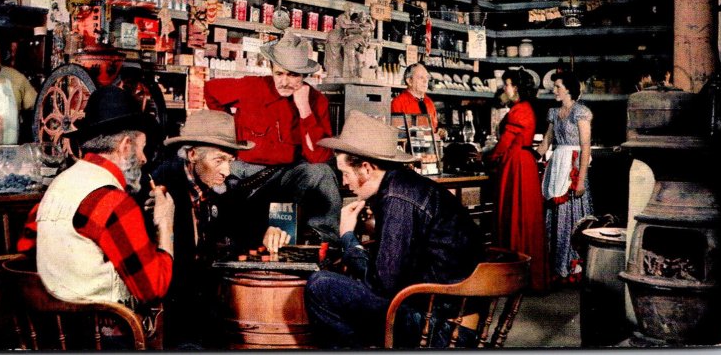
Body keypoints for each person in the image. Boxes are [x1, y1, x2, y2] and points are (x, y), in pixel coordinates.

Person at [304, 110, 484, 348]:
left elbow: (382, 285)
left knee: (320, 285)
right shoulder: (401, 185)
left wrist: (348, 237)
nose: (344, 182)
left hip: (442, 328)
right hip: (436, 311)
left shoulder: (398, 197)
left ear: (367, 169)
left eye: (345, 173)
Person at [34, 86, 175, 342]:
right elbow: (154, 288)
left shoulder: (58, 185)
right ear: (125, 146)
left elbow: (26, 245)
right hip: (103, 338)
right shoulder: (113, 202)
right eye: (141, 148)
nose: (143, 159)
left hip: (55, 335)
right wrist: (165, 225)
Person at [204, 30, 341, 247]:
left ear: (304, 75)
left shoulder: (316, 101)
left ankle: (324, 243)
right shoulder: (251, 86)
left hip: (288, 174)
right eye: (280, 74)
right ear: (271, 69)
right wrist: (227, 133)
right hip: (245, 171)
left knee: (322, 173)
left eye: (293, 75)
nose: (285, 82)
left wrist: (304, 109)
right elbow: (210, 90)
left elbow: (319, 157)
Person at [147, 109, 254, 349]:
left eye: (230, 160)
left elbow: (242, 230)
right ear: (193, 154)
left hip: (204, 306)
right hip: (171, 315)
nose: (227, 171)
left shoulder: (220, 185)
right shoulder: (161, 185)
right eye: (219, 160)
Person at [487, 68, 548, 292]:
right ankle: (523, 276)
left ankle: (513, 278)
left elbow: (504, 144)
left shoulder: (519, 111)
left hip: (516, 165)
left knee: (514, 215)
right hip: (523, 163)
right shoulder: (523, 109)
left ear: (517, 88)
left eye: (508, 85)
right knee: (523, 217)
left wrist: (489, 157)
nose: (506, 88)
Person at [537, 71, 594, 284]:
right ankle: (557, 265)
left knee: (572, 215)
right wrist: (527, 155)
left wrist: (580, 180)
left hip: (573, 166)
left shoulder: (581, 112)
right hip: (557, 166)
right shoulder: (554, 112)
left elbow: (585, 146)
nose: (554, 90)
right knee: (556, 214)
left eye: (557, 86)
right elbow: (546, 143)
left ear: (569, 89)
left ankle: (573, 266)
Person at [390, 63, 444, 135]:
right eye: (421, 77)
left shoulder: (429, 102)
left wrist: (439, 132)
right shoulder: (398, 103)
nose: (426, 81)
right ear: (409, 81)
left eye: (427, 77)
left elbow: (434, 128)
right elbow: (397, 134)